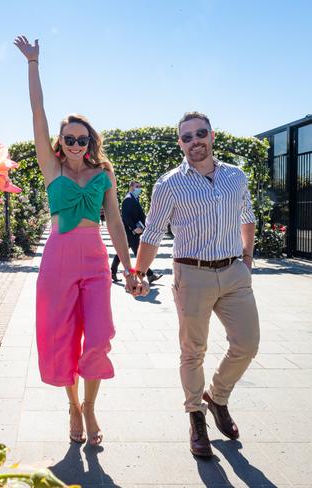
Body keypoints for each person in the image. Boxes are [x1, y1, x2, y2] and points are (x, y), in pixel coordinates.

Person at [14, 35, 143, 447]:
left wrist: (130, 266)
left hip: (93, 259)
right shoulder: (51, 169)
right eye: (68, 138)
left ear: (90, 143)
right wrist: (33, 64)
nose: (74, 144)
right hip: (57, 260)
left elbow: (117, 225)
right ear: (59, 143)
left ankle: (90, 406)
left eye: (81, 139)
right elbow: (38, 111)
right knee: (62, 337)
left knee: (100, 335)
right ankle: (73, 406)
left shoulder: (104, 175)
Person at [134, 111, 260, 458]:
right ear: (180, 143)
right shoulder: (169, 183)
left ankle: (217, 397)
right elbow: (154, 232)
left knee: (247, 344)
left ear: (212, 135)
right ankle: (196, 417)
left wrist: (247, 259)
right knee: (193, 351)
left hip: (234, 272)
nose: (194, 141)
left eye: (200, 133)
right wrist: (140, 273)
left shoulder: (236, 176)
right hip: (192, 274)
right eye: (186, 137)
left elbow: (247, 216)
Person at [110, 181, 163, 284]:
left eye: (140, 186)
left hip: (133, 232)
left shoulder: (134, 199)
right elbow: (126, 216)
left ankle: (112, 272)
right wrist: (134, 228)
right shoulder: (128, 199)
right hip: (130, 232)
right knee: (139, 253)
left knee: (121, 253)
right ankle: (150, 275)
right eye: (137, 186)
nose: (139, 188)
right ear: (131, 188)